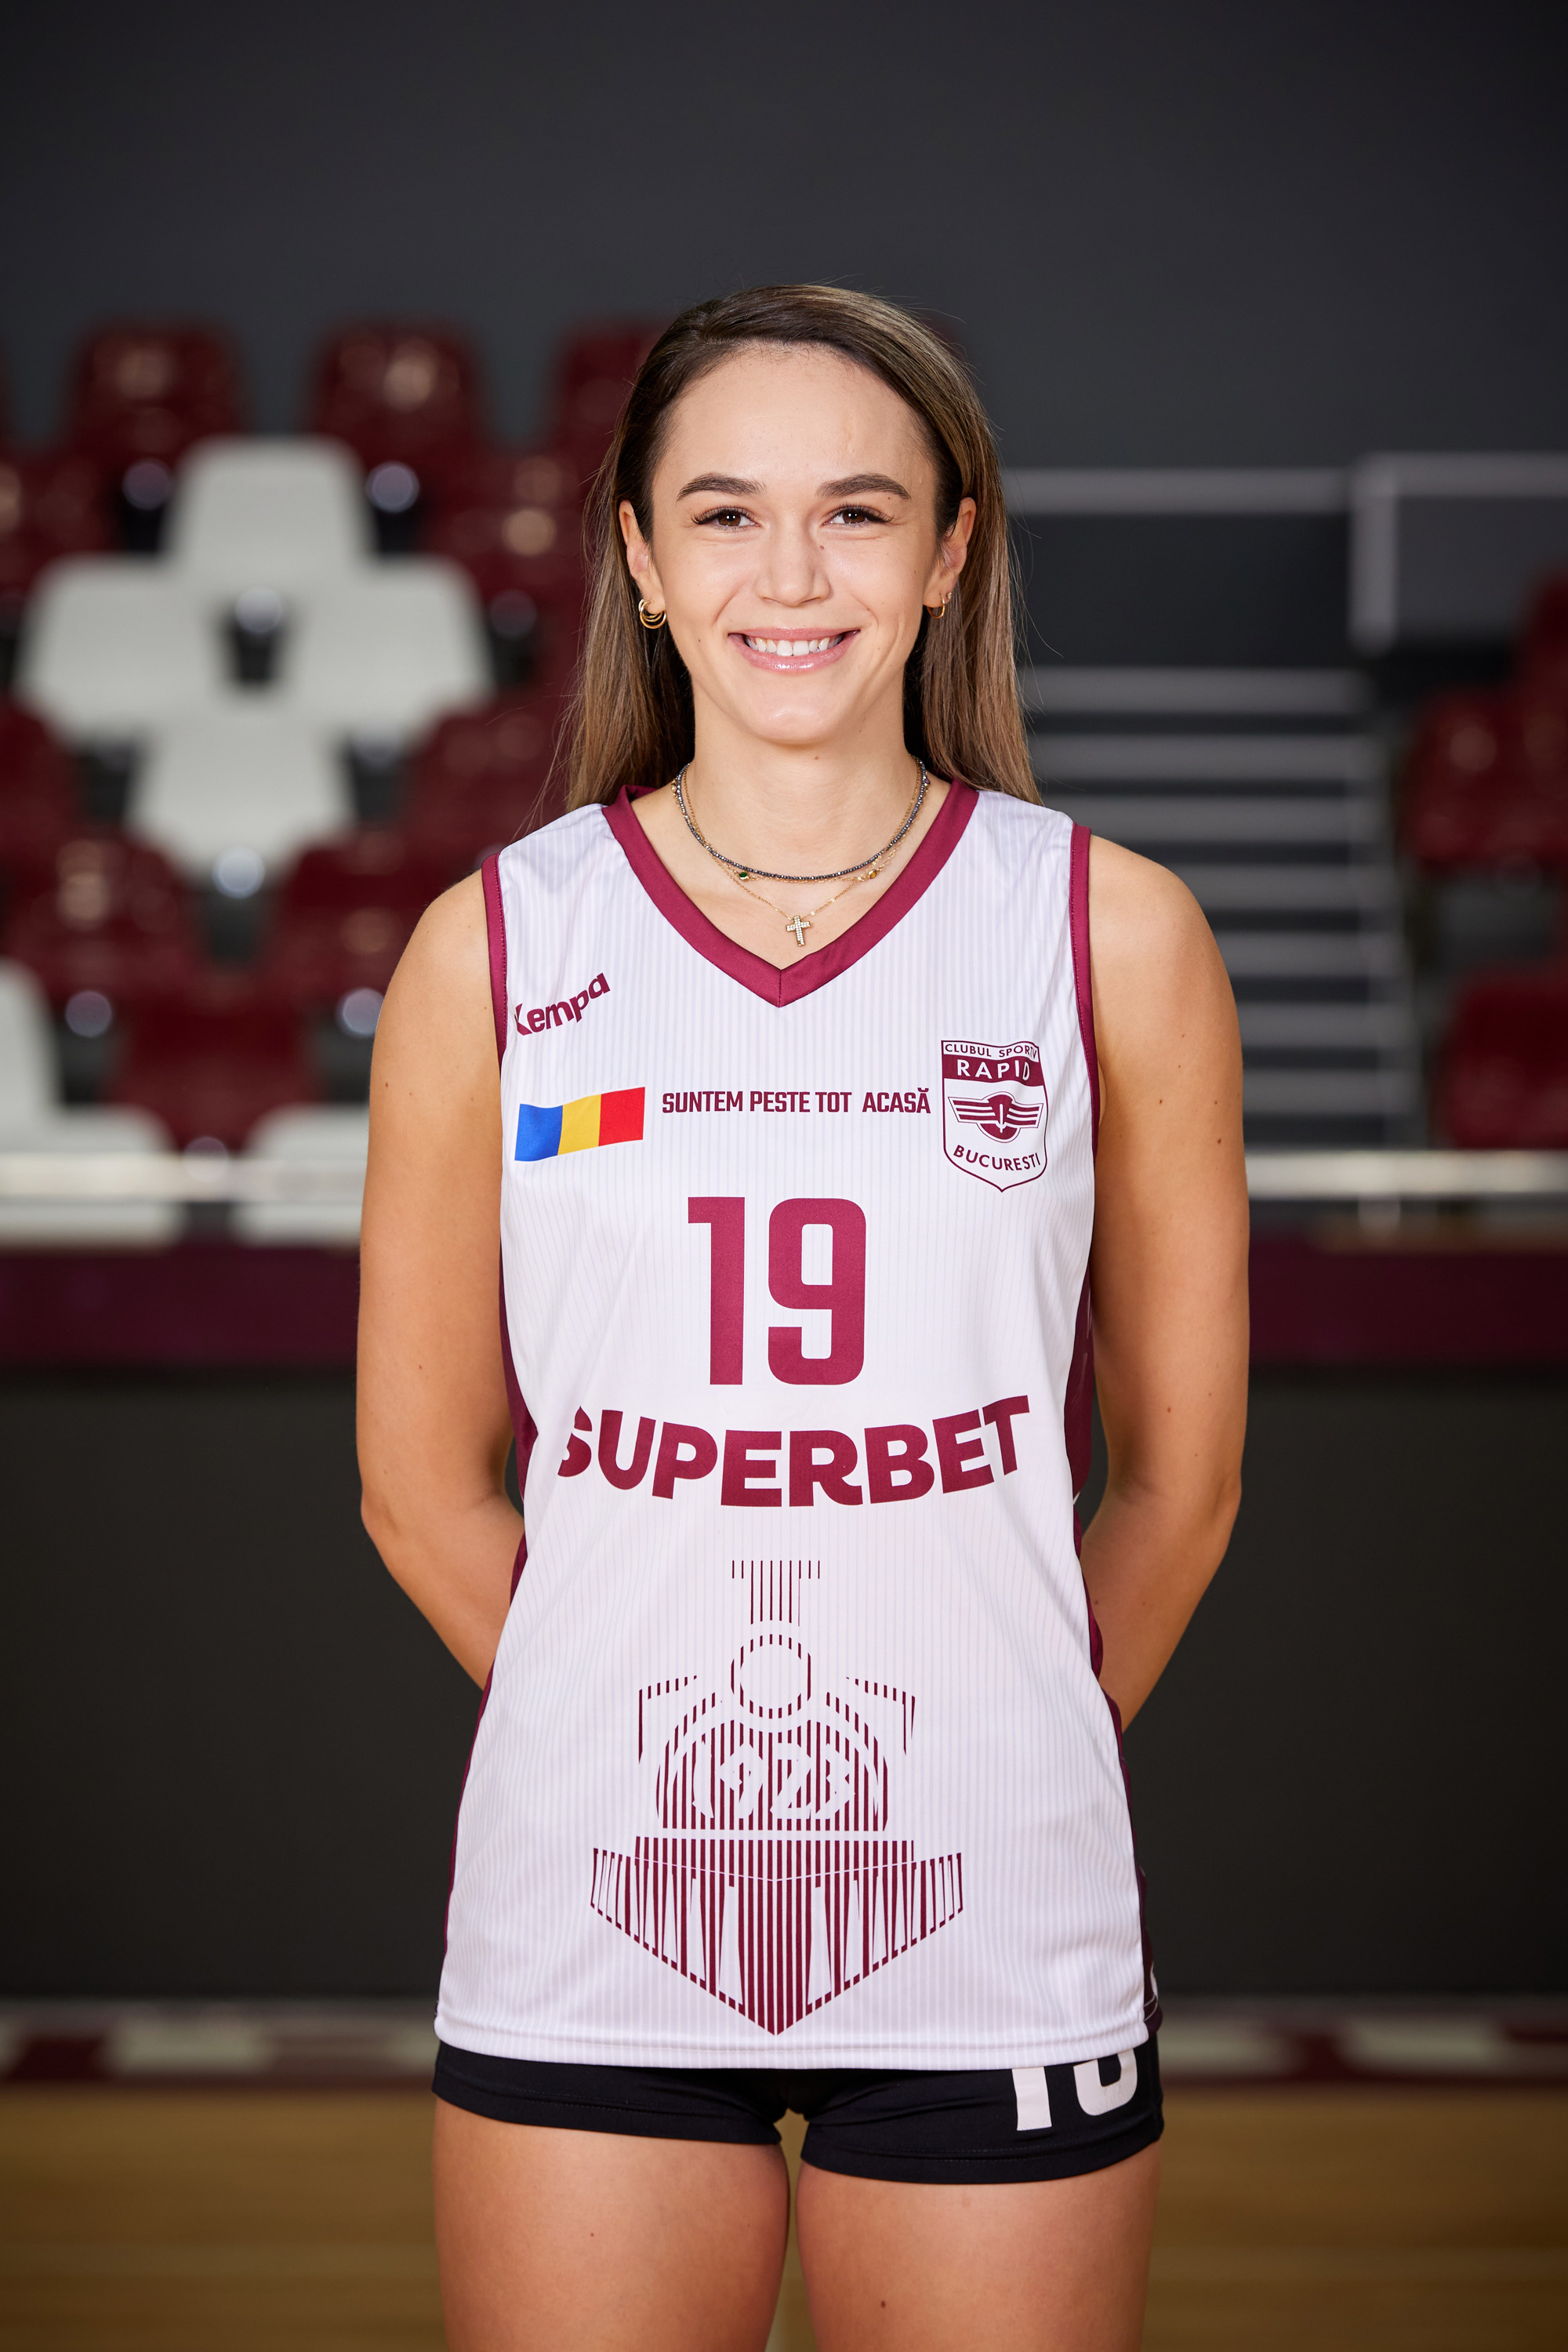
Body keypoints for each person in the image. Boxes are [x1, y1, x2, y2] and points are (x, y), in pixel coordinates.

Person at [358, 284, 1248, 2352]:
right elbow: (419, 1487)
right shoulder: (494, 950)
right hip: (595, 1889)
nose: (790, 575)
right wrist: (621, 1722)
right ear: (640, 562)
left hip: (997, 1901)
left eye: (856, 512)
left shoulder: (1108, 933)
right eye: (725, 514)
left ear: (949, 555)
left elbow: (1181, 1487)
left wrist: (996, 1741)